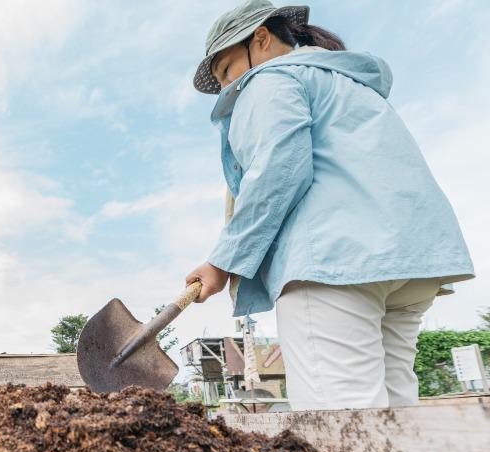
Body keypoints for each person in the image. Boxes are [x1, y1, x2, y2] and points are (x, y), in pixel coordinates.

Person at [186, 1, 474, 410]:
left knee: (341, 422)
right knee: (396, 413)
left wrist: (222, 261)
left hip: (332, 262)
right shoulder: (350, 84)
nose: (230, 87)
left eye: (228, 71)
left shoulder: (269, 80)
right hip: (410, 262)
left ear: (262, 40)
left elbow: (277, 171)